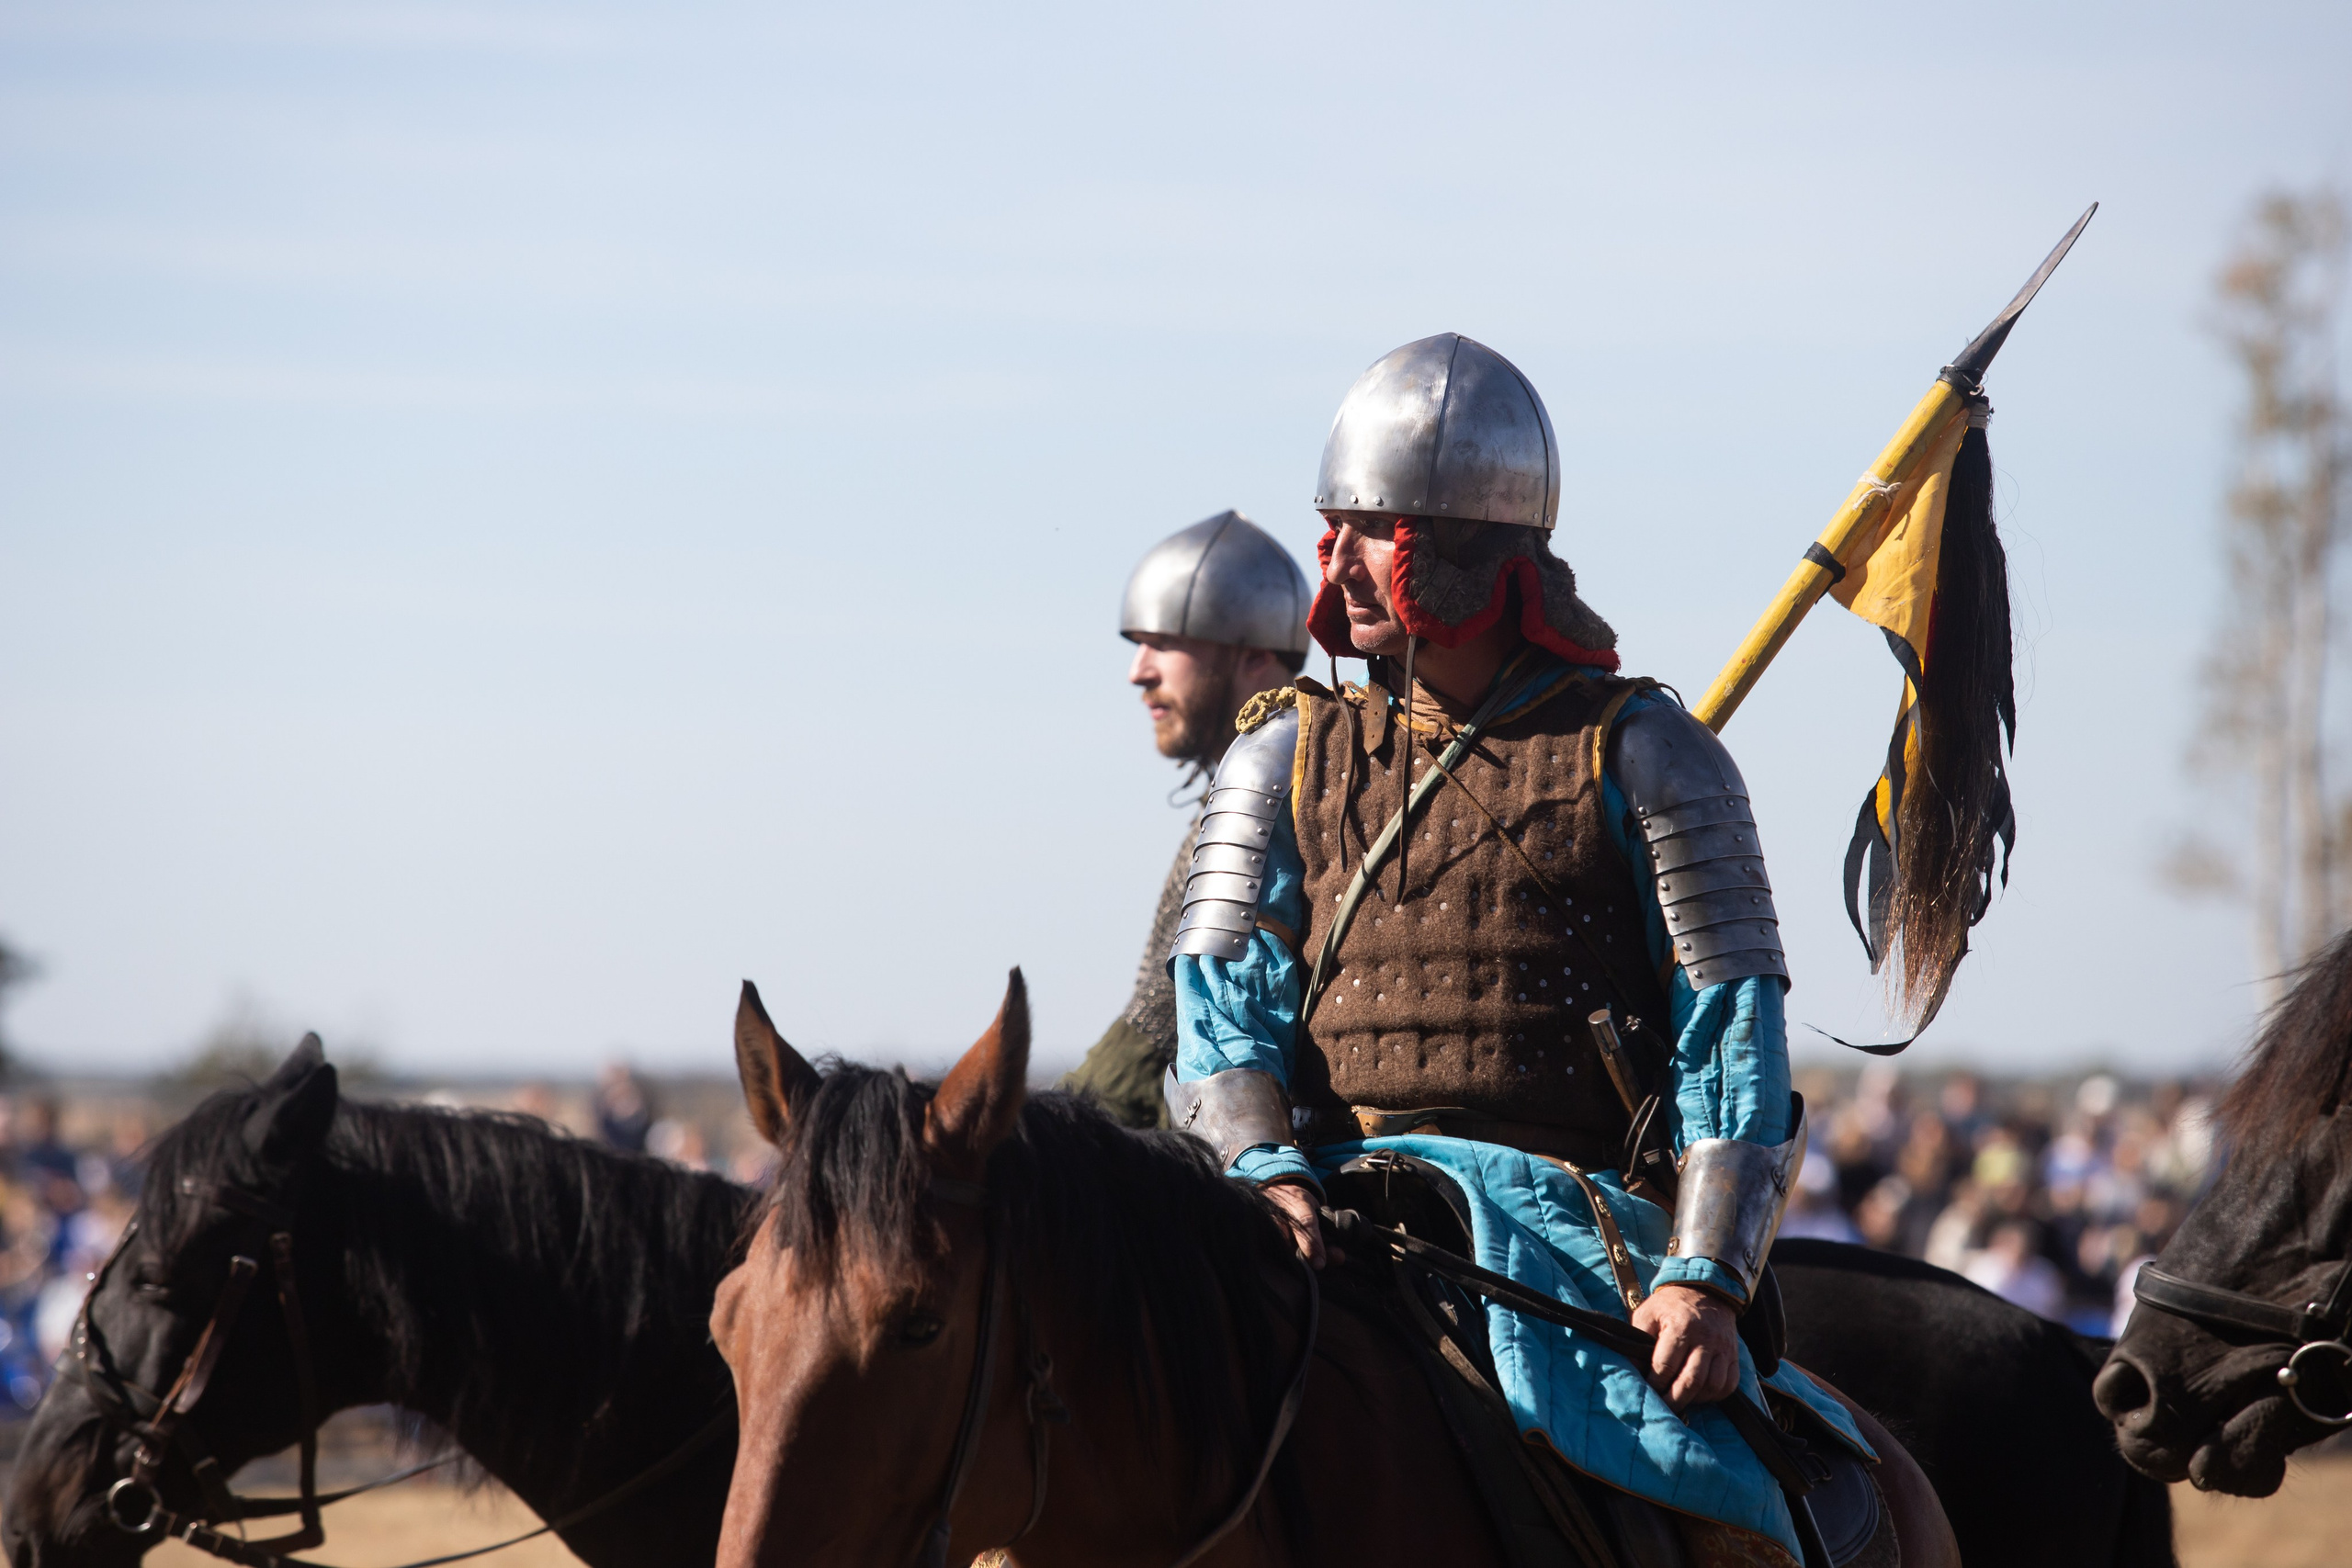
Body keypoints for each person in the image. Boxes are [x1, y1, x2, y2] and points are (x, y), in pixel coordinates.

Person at [1168, 334, 1875, 1563]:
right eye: (1333, 526)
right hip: (1323, 1213)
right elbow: (1221, 1001)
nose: (1335, 561)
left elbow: (1731, 1030)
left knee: (1733, 1515)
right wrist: (1262, 1169)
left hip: (1568, 1240)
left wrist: (1706, 1274)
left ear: (1466, 548)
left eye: (1373, 528)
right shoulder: (1281, 754)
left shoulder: (1647, 749)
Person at [1062, 511, 1309, 1128]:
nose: (1139, 671)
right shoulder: (1230, 797)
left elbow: (1161, 1035)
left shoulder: (1301, 795)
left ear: (1253, 652)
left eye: (1165, 643)